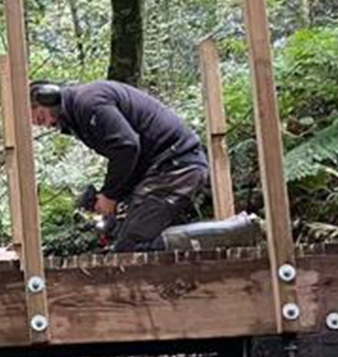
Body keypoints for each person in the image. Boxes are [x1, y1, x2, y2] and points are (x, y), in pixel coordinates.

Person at [29, 80, 208, 252]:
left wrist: (110, 195)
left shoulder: (88, 103)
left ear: (47, 96)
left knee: (133, 245)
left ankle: (215, 240)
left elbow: (127, 147)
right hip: (163, 169)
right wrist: (112, 197)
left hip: (176, 167)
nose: (44, 124)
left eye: (39, 117)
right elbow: (131, 158)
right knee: (119, 233)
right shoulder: (80, 111)